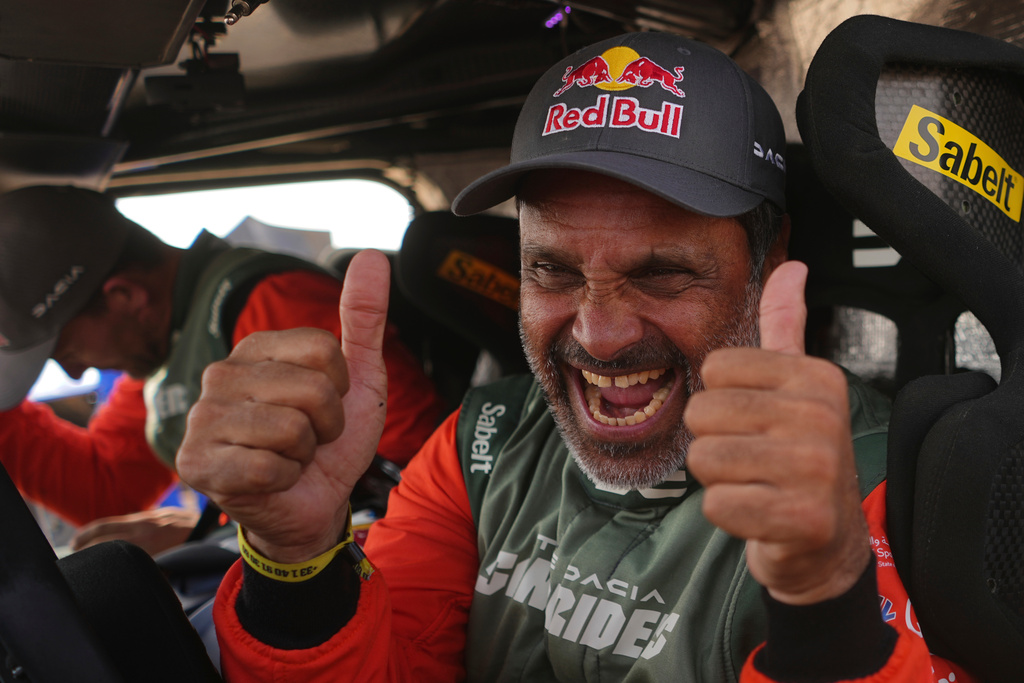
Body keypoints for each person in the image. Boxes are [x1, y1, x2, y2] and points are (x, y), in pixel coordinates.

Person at [178, 32, 973, 682]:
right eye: (552, 270)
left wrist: (827, 600)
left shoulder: (875, 480)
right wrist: (298, 561)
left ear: (768, 263)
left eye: (661, 272)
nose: (598, 333)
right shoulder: (482, 443)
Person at [0, 186, 446, 555]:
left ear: (125, 298)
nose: (74, 374)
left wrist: (215, 539)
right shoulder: (166, 352)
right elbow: (106, 486)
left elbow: (431, 483)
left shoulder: (275, 307)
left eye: (66, 350)